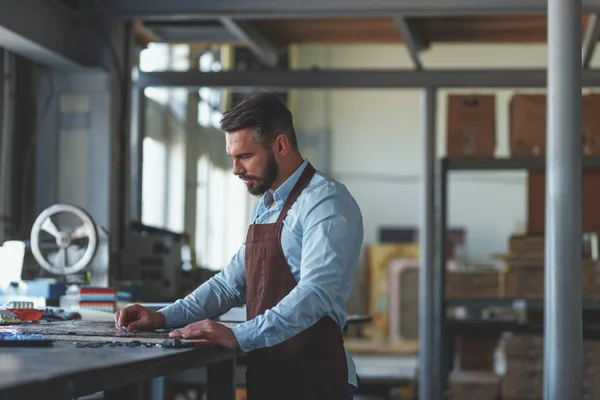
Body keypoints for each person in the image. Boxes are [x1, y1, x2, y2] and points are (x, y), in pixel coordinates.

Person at [114, 91, 364, 400]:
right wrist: (163, 317)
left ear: (281, 145)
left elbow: (316, 293)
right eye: (232, 158)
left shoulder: (325, 202)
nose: (235, 169)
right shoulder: (265, 205)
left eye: (244, 156)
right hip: (269, 373)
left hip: (314, 379)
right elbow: (230, 284)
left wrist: (238, 334)